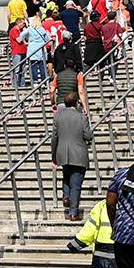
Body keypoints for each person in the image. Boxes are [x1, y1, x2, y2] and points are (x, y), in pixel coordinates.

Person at [51, 92, 93, 222]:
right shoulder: (81, 117)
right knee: (76, 184)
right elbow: (88, 136)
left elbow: (54, 138)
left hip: (62, 152)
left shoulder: (57, 117)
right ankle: (73, 212)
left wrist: (54, 155)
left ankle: (66, 196)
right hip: (79, 153)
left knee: (66, 175)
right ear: (76, 103)